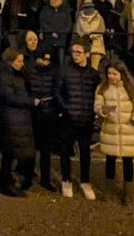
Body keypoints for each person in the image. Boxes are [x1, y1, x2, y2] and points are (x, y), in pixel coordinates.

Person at [94, 60, 134, 205]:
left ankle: (127, 192)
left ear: (122, 74)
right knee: (110, 160)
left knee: (128, 161)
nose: (111, 76)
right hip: (111, 129)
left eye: (114, 74)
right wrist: (102, 111)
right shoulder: (102, 88)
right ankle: (109, 190)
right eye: (109, 73)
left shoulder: (130, 88)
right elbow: (97, 104)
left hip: (128, 128)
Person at [56, 39, 100, 200]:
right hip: (69, 117)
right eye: (73, 52)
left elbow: (98, 94)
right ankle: (66, 179)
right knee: (65, 151)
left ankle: (85, 180)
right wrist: (66, 108)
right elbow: (58, 92)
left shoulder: (94, 75)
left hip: (86, 118)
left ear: (87, 54)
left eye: (78, 52)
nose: (75, 55)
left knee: (85, 152)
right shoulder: (65, 71)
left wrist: (94, 112)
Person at [0, 48, 34, 197]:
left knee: (11, 154)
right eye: (19, 61)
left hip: (17, 118)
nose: (22, 64)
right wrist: (29, 101)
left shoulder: (18, 75)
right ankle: (6, 184)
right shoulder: (5, 77)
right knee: (9, 154)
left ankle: (7, 181)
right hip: (10, 119)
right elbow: (8, 97)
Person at [25, 33, 59, 189]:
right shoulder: (30, 71)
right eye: (43, 59)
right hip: (33, 111)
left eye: (48, 60)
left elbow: (56, 90)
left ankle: (45, 178)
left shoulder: (53, 72)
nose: (45, 62)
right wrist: (32, 100)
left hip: (48, 111)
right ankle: (28, 175)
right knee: (31, 146)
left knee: (46, 149)